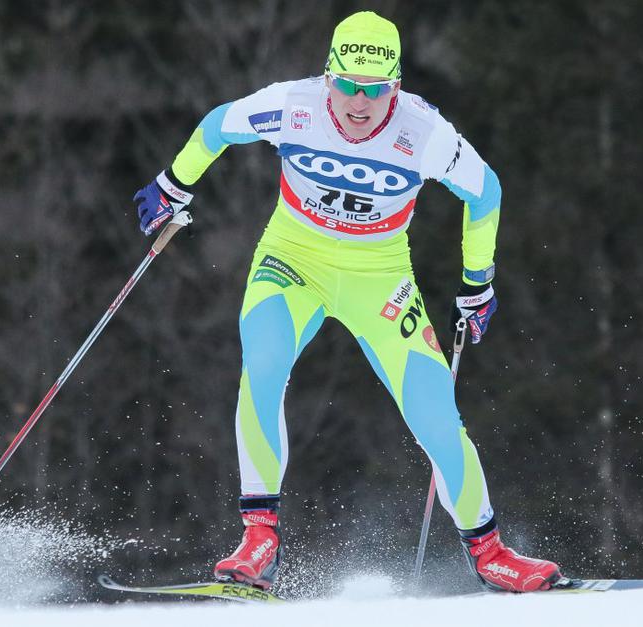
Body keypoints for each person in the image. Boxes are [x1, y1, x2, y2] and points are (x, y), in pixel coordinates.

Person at [133, 11, 561, 593]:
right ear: (328, 76)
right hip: (293, 262)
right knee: (262, 368)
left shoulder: (424, 132)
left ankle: (492, 555)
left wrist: (477, 282)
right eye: (348, 85)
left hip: (379, 277)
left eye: (376, 89)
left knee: (435, 414)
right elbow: (218, 127)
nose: (360, 103)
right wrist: (172, 184)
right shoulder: (294, 105)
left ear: (396, 86)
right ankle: (259, 540)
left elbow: (485, 193)